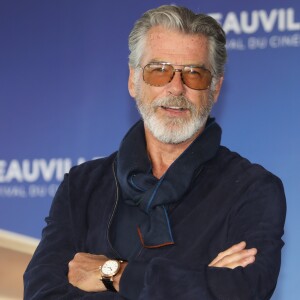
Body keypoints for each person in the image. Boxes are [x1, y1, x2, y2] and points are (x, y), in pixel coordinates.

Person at [24, 5, 286, 300]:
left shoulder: (253, 190)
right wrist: (193, 283)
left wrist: (115, 273)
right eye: (159, 71)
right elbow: (41, 293)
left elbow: (241, 290)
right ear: (133, 81)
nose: (176, 88)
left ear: (214, 89)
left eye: (194, 74)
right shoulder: (82, 186)